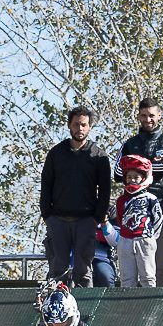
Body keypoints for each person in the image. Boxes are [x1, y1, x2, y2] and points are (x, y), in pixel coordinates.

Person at [40, 105, 111, 287]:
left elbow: (105, 189)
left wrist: (97, 217)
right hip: (58, 220)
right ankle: (56, 304)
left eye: (84, 125)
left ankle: (84, 304)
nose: (80, 128)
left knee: (83, 271)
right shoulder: (56, 153)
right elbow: (46, 183)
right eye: (76, 124)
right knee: (57, 270)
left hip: (86, 221)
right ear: (69, 125)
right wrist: (47, 215)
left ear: (90, 127)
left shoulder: (99, 156)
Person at [114, 98, 163, 285]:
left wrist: (136, 167)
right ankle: (133, 301)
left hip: (161, 205)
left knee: (161, 264)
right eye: (143, 115)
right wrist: (149, 166)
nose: (148, 119)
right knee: (131, 267)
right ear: (138, 117)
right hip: (133, 209)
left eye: (151, 115)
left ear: (159, 116)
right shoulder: (129, 143)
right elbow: (118, 173)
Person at [111, 154, 163, 287]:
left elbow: (158, 219)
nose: (132, 180)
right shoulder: (121, 200)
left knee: (148, 276)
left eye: (136, 177)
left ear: (143, 178)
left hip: (144, 238)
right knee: (126, 279)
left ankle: (149, 299)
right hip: (125, 240)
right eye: (129, 177)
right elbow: (119, 219)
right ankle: (127, 300)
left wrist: (150, 237)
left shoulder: (151, 198)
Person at [92, 219, 119, 288]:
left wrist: (104, 223)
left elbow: (116, 241)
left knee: (105, 277)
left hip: (101, 258)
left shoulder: (112, 215)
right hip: (76, 257)